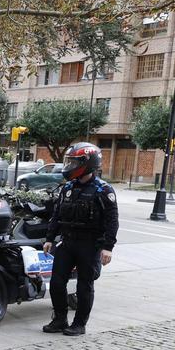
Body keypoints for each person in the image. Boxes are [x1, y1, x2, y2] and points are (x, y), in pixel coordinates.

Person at [41, 143, 118, 336]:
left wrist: (108, 247)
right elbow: (57, 215)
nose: (70, 166)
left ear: (88, 163)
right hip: (67, 243)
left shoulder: (103, 190)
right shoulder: (67, 188)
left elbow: (112, 221)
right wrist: (50, 238)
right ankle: (59, 320)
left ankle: (79, 324)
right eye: (70, 161)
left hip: (90, 245)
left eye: (75, 162)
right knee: (57, 283)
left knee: (85, 285)